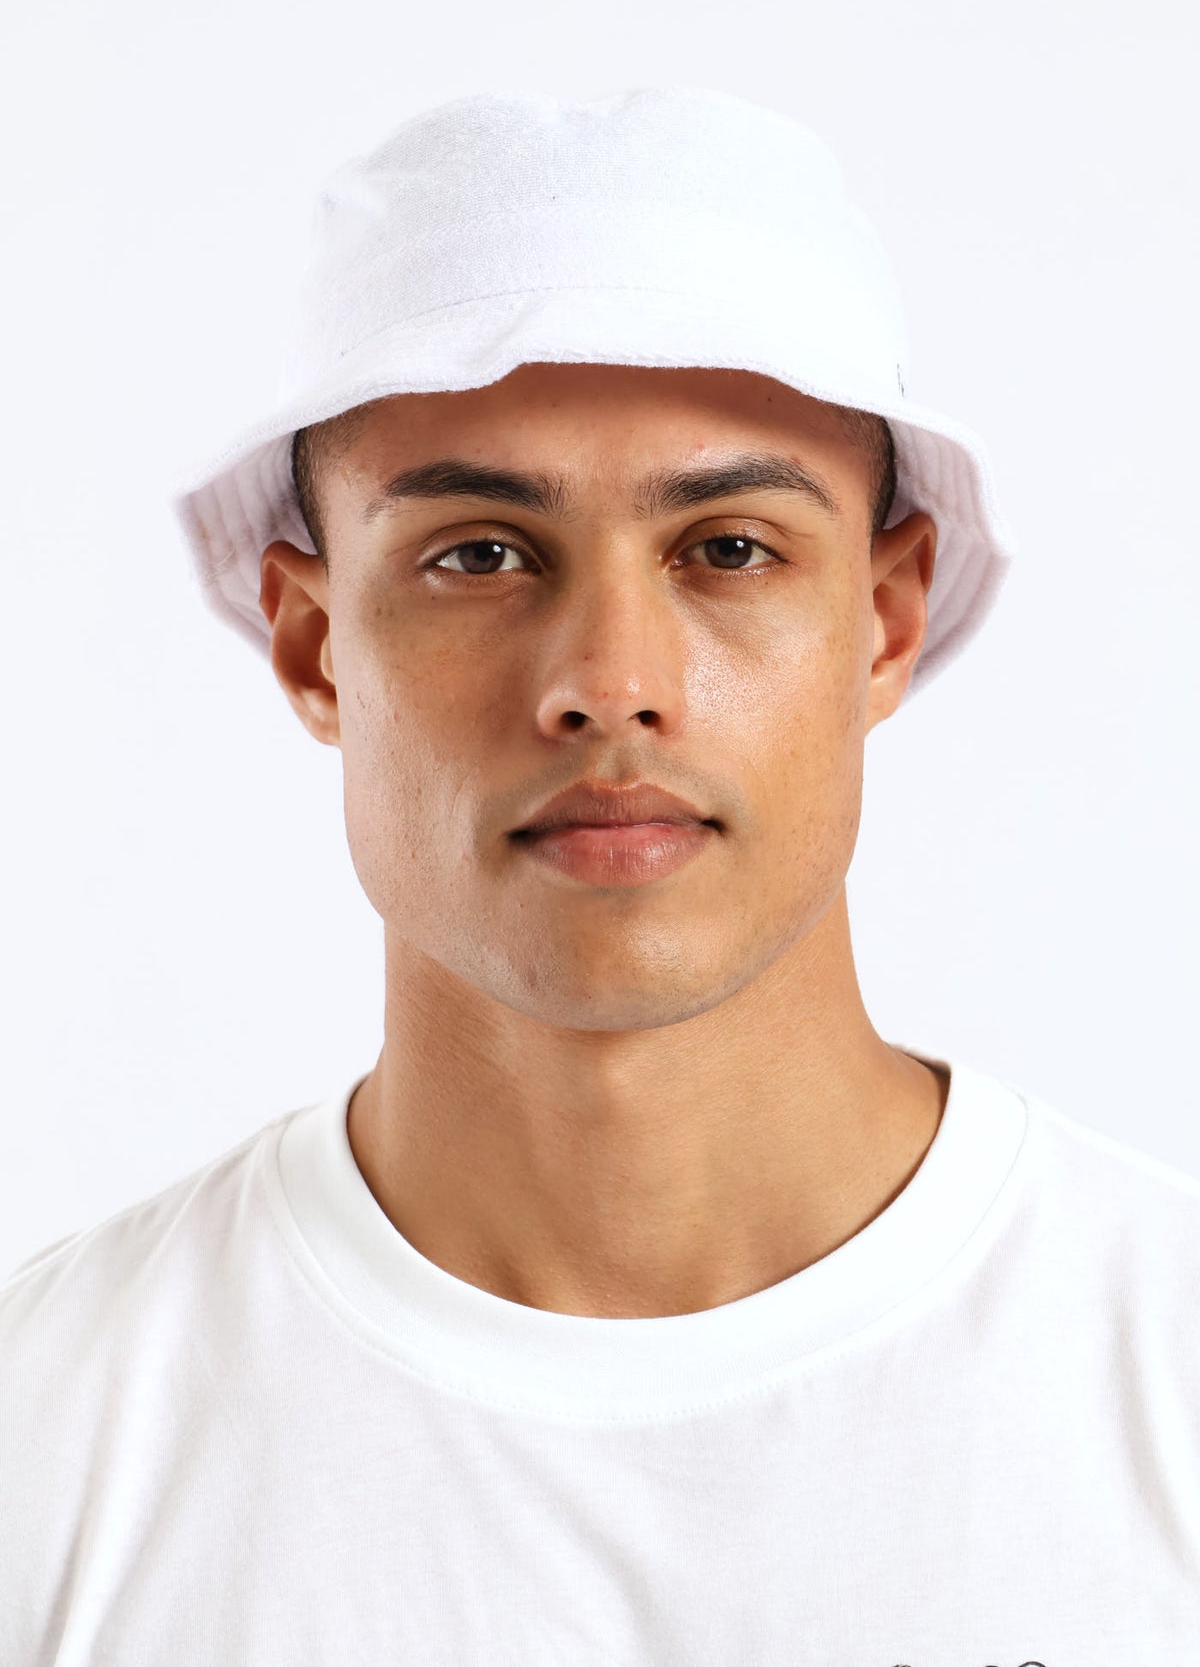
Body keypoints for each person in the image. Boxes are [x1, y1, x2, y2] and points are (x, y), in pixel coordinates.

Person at [2, 88, 1197, 1662]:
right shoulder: (46, 1447)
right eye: (480, 554)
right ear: (314, 644)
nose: (610, 685)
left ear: (886, 620)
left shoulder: (1165, 1380)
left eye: (730, 548)